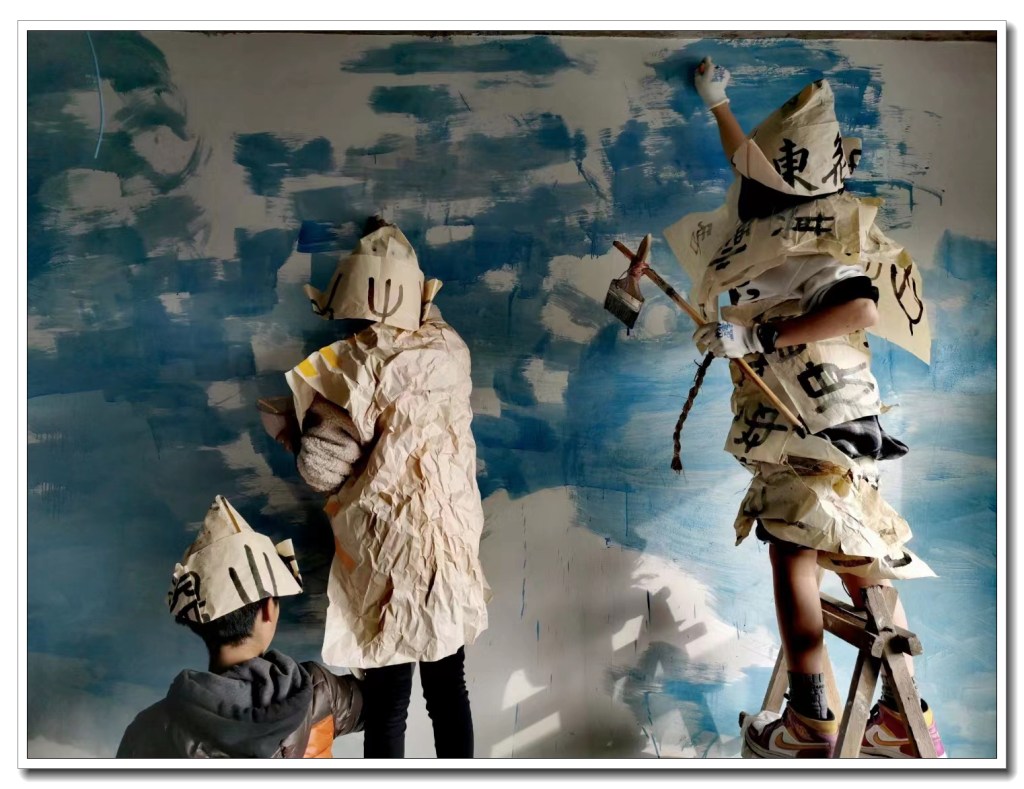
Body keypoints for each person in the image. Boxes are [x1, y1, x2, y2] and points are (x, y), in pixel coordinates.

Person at [681, 56, 946, 758]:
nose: (750, 185)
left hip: (810, 426)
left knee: (795, 553)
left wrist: (759, 336)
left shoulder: (821, 243)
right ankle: (905, 715)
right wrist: (718, 104)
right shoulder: (779, 221)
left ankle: (813, 722)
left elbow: (860, 306)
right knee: (858, 554)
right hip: (824, 422)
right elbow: (751, 167)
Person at [272, 217, 489, 758]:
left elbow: (321, 468)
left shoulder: (358, 363)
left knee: (388, 703)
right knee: (449, 690)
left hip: (386, 554)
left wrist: (295, 431)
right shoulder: (452, 349)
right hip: (448, 551)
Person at [116, 495, 363, 758]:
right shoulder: (319, 693)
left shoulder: (147, 731)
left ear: (201, 625)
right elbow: (385, 701)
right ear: (268, 611)